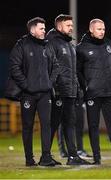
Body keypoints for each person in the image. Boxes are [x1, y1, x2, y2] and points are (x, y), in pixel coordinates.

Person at [76, 18, 111, 165]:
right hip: (93, 93)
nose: (102, 31)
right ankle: (97, 158)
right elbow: (77, 71)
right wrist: (86, 86)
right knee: (93, 126)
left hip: (110, 92)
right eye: (99, 29)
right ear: (91, 30)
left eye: (103, 29)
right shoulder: (81, 48)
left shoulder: (110, 44)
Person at [5, 17, 61, 167]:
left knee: (47, 125)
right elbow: (14, 67)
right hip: (28, 94)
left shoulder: (48, 46)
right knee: (28, 126)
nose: (44, 30)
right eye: (41, 28)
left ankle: (46, 157)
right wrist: (26, 85)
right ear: (32, 30)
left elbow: (56, 66)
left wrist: (50, 83)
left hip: (45, 93)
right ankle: (29, 159)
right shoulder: (21, 45)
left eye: (44, 28)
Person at [46, 14, 91, 165]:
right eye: (68, 25)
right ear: (59, 26)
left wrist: (77, 88)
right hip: (58, 92)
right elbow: (50, 67)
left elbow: (72, 71)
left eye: (72, 25)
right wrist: (54, 88)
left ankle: (73, 156)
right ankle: (45, 156)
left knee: (70, 123)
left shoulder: (69, 45)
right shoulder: (52, 43)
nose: (71, 28)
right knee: (52, 125)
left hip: (70, 91)